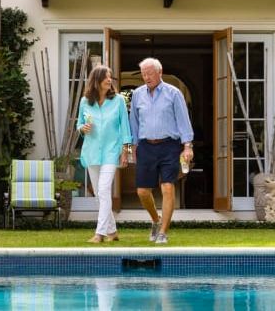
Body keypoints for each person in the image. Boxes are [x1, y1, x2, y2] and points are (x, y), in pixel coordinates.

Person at [128, 57, 194, 244]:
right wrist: (130, 148)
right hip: (145, 146)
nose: (146, 77)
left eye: (149, 73)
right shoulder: (138, 95)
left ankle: (163, 232)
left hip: (169, 146)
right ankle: (155, 221)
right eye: (143, 74)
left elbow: (183, 121)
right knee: (142, 191)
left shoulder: (174, 93)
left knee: (167, 187)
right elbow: (133, 123)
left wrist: (187, 146)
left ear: (160, 72)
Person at [76, 65, 130, 243]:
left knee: (104, 189)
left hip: (111, 151)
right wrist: (82, 128)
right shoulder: (85, 101)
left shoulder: (118, 100)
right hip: (91, 151)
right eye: (106, 77)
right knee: (100, 193)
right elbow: (79, 124)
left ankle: (100, 233)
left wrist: (125, 150)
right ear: (96, 80)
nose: (110, 80)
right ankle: (112, 231)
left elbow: (125, 127)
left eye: (110, 77)